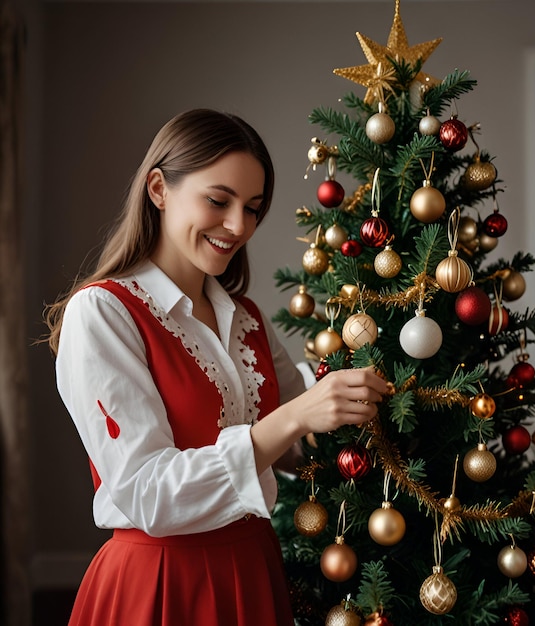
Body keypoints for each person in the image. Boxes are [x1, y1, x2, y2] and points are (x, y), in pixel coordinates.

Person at [43, 108, 388, 626]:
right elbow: (146, 493)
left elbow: (301, 448)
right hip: (159, 583)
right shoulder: (103, 312)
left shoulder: (246, 318)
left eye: (252, 208)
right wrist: (295, 417)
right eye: (218, 200)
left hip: (252, 570)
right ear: (158, 189)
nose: (238, 226)